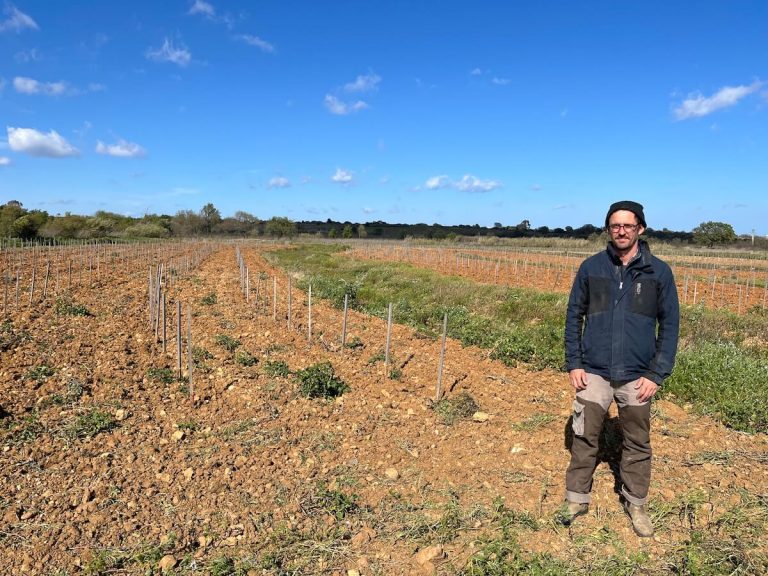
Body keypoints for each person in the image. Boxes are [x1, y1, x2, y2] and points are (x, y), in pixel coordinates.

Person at [561, 200, 679, 537]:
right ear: (609, 229)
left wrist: (657, 374)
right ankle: (576, 498)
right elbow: (574, 316)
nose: (622, 230)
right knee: (584, 436)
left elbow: (670, 326)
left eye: (628, 225)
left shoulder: (658, 272)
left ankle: (636, 503)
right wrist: (574, 362)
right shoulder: (591, 268)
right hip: (594, 372)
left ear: (641, 228)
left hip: (637, 376)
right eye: (615, 225)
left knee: (637, 442)